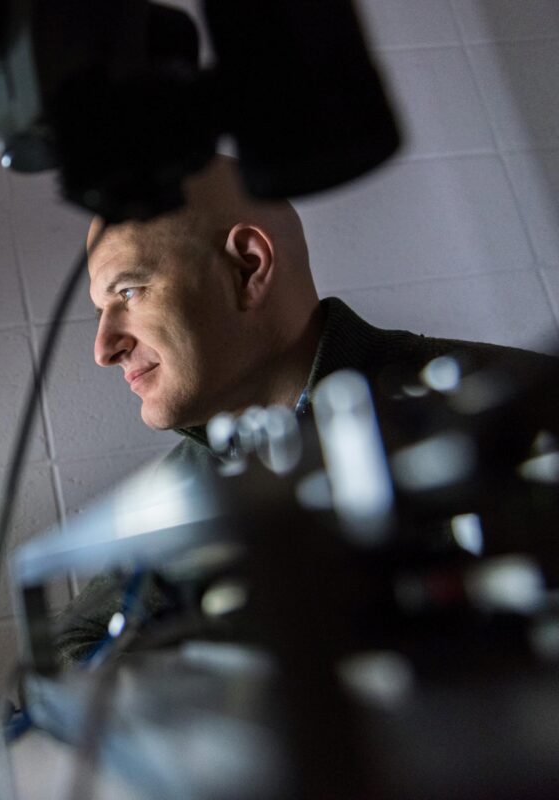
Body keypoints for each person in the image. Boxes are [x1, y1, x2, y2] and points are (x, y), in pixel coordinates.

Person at [54, 156, 554, 664]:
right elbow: (69, 650)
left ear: (247, 268)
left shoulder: (516, 405)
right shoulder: (182, 489)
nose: (103, 348)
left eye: (130, 292)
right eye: (102, 311)